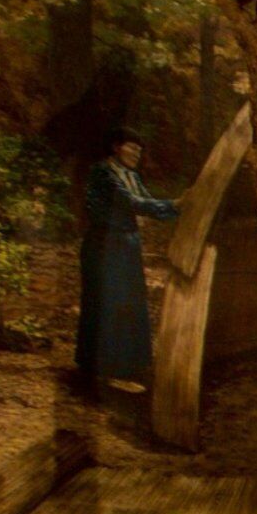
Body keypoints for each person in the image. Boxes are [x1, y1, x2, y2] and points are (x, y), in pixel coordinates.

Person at [76, 129, 174, 396]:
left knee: (130, 302)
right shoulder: (104, 173)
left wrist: (178, 209)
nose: (136, 154)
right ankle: (102, 372)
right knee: (108, 303)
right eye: (132, 148)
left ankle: (127, 367)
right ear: (116, 147)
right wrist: (175, 204)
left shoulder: (131, 175)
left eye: (140, 151)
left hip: (126, 246)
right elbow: (132, 203)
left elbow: (149, 203)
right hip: (104, 245)